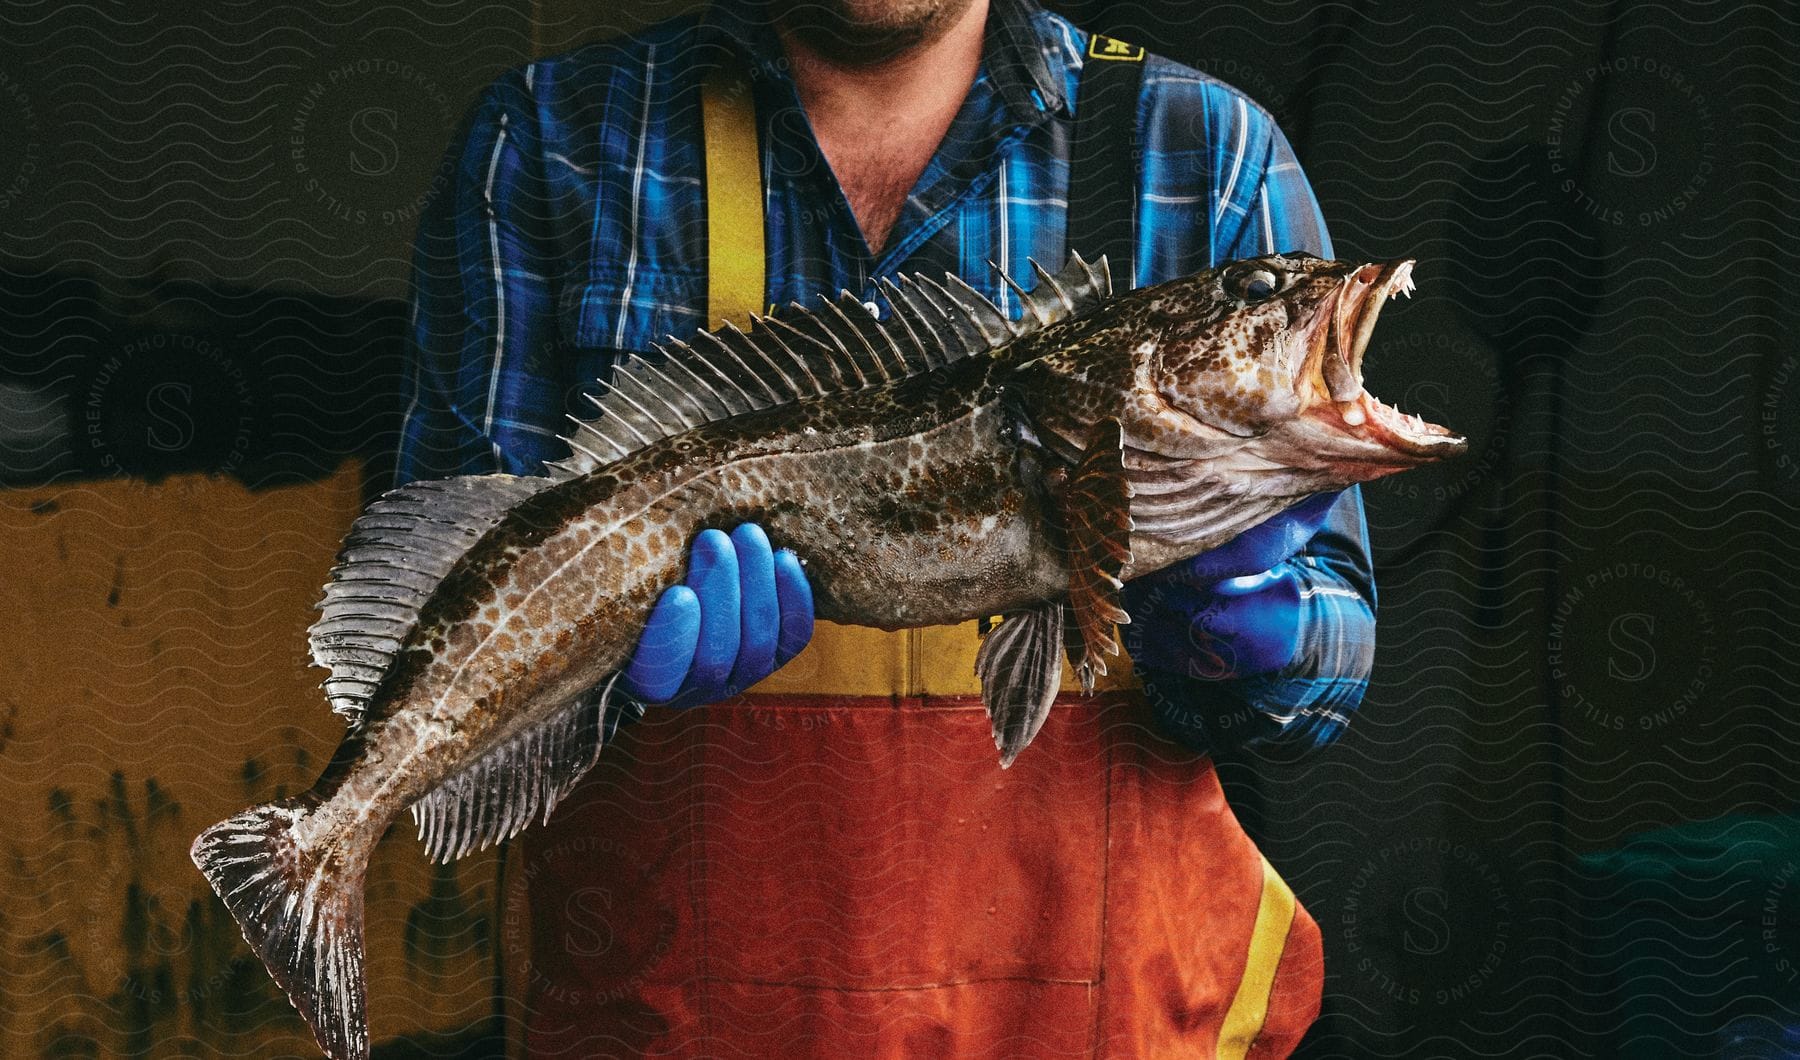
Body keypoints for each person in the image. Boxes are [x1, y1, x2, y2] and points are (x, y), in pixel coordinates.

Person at [397, 0, 1375, 1054]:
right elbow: (452, 624)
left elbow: (1330, 668)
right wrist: (601, 686)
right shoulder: (552, 142)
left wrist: (1237, 626)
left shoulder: (1207, 150)